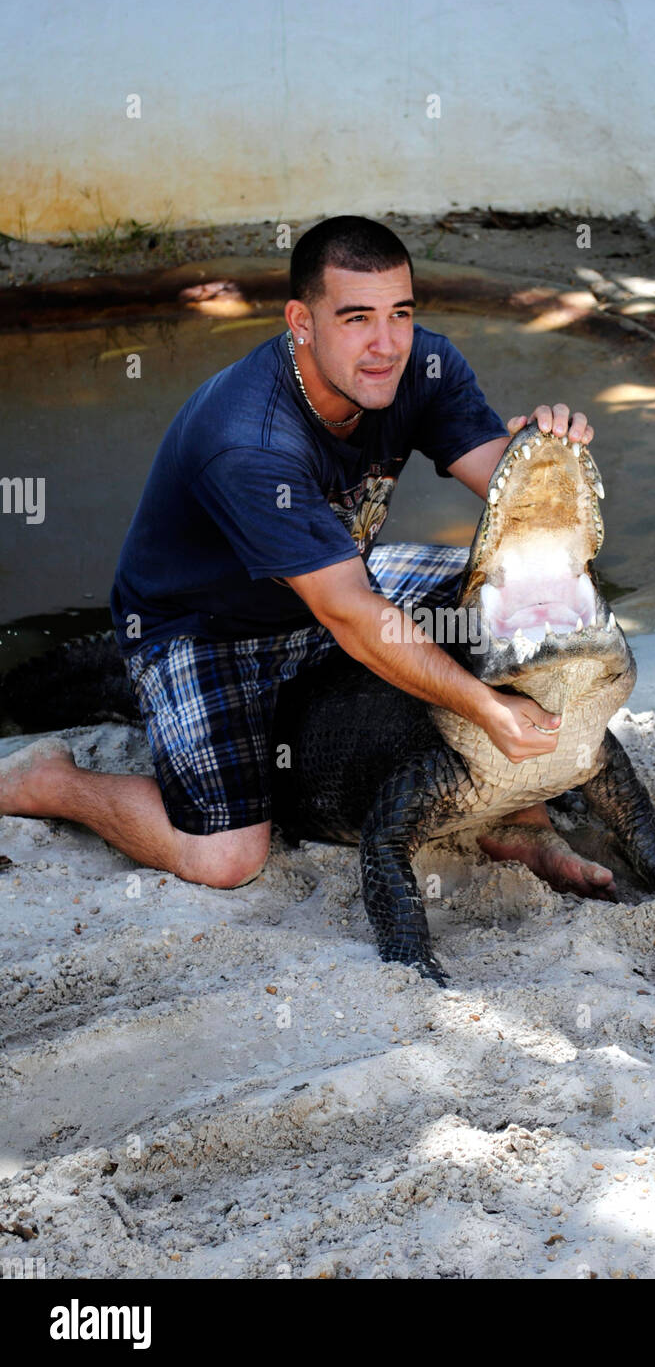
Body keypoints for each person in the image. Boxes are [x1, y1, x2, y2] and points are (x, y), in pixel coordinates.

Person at [0, 216, 614, 898]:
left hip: (336, 580)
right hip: (205, 633)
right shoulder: (248, 439)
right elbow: (351, 614)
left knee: (513, 596)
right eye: (355, 319)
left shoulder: (423, 367)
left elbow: (512, 497)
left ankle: (514, 815)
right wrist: (483, 706)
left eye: (400, 314)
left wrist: (547, 453)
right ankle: (52, 782)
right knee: (226, 859)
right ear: (301, 320)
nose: (385, 346)